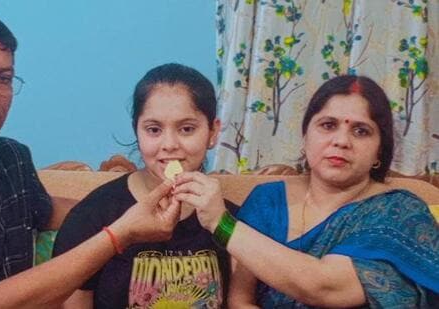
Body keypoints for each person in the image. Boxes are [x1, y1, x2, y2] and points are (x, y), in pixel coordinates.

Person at [0, 9, 181, 308]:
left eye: (3, 78)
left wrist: (152, 205)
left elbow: (65, 212)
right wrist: (119, 234)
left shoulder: (11, 159)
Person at [173, 75, 439, 308]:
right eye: (328, 125)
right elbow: (240, 300)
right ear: (305, 135)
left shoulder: (400, 214)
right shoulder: (267, 201)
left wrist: (222, 224)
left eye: (361, 131)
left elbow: (323, 286)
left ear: (379, 150)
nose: (341, 141)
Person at [52, 63, 238, 308]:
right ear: (136, 131)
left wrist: (222, 224)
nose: (169, 144)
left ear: (212, 132)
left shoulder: (231, 220)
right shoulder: (94, 216)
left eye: (187, 129)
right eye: (153, 129)